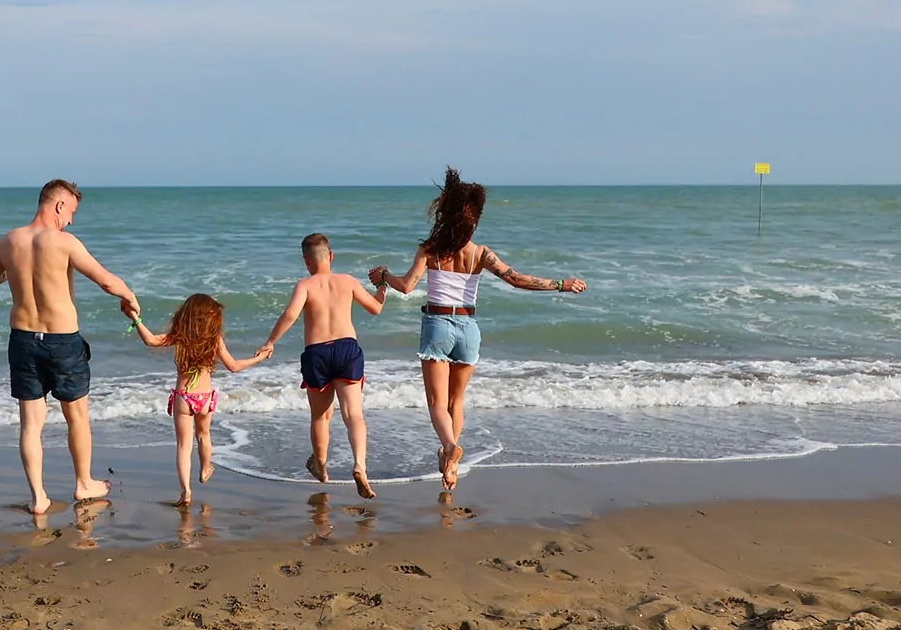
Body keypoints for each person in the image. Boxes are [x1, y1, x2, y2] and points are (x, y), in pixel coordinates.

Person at [372, 168, 587, 490]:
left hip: (437, 324)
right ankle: (451, 467)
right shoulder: (481, 253)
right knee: (456, 402)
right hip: (469, 328)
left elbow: (406, 286)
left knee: (435, 402)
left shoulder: (430, 249)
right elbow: (517, 279)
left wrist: (383, 275)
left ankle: (449, 447)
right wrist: (561, 284)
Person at [0, 179, 141, 516]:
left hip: (23, 339)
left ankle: (38, 497)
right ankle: (83, 483)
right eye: (71, 212)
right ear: (58, 205)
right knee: (77, 416)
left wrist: (15, 270)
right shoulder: (65, 242)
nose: (71, 221)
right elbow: (105, 279)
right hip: (62, 341)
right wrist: (130, 297)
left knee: (30, 424)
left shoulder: (10, 240)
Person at [256, 233, 389, 499]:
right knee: (354, 415)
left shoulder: (304, 285)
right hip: (347, 349)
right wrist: (383, 286)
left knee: (320, 416)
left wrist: (270, 342)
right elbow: (375, 308)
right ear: (331, 256)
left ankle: (321, 467)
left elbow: (291, 315)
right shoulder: (347, 281)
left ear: (306, 261)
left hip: (316, 352)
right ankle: (360, 466)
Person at [128, 293, 270, 506]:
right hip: (205, 398)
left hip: (184, 398)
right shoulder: (215, 341)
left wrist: (135, 318)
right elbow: (234, 366)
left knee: (183, 445)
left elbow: (151, 340)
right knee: (204, 436)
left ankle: (186, 491)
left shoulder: (180, 337)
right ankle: (205, 468)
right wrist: (259, 358)